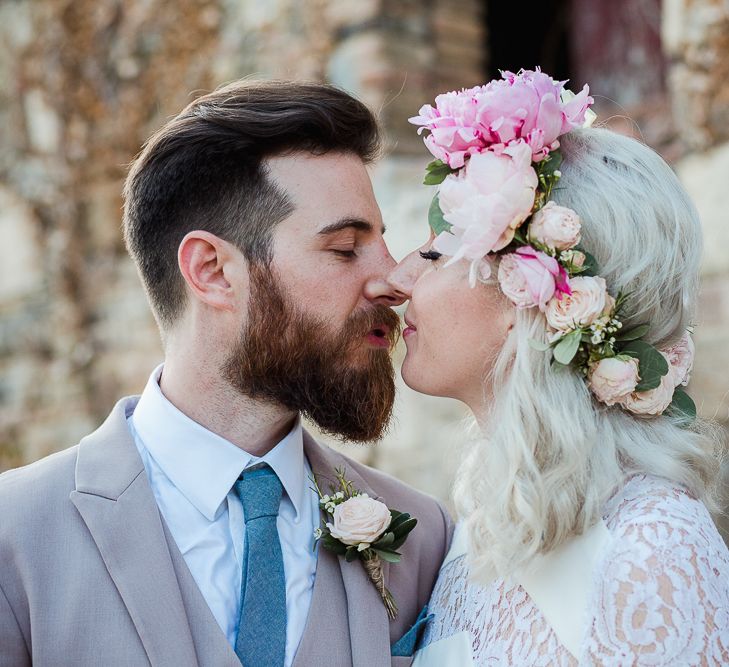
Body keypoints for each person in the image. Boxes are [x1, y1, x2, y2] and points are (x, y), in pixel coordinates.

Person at [0, 80, 452, 667]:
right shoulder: (16, 533)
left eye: (382, 244)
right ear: (211, 270)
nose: (391, 281)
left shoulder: (423, 537)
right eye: (345, 249)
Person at [388, 70, 729, 665]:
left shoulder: (651, 543)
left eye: (436, 252)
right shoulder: (480, 530)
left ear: (526, 299)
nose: (399, 278)